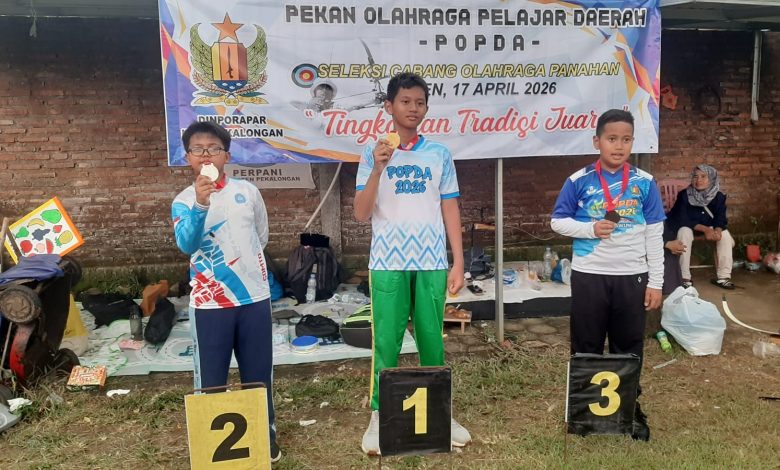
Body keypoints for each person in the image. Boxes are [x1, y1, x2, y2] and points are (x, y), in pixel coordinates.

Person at [353, 72, 471, 455]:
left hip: (432, 261)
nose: (413, 108)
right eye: (405, 101)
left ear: (426, 108)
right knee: (386, 341)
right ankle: (378, 413)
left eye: (419, 102)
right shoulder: (372, 153)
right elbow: (360, 213)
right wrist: (377, 169)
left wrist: (458, 260)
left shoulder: (439, 154)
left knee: (432, 339)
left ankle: (440, 411)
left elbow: (450, 206)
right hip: (388, 262)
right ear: (389, 106)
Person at [551, 109, 665, 441]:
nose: (619, 146)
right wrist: (589, 229)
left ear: (633, 142)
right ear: (596, 141)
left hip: (632, 276)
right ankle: (583, 412)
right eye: (612, 139)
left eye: (626, 139)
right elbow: (557, 221)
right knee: (586, 343)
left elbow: (655, 234)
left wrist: (656, 282)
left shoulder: (644, 183)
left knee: (628, 345)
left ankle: (630, 410)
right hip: (590, 275)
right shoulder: (578, 180)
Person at [171, 121, 281, 463]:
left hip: (253, 299)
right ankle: (213, 443)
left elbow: (261, 236)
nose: (206, 155)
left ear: (227, 156)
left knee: (258, 374)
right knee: (211, 379)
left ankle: (264, 433)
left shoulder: (247, 191)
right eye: (198, 149)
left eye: (214, 149)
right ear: (188, 158)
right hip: (210, 304)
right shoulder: (183, 201)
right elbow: (186, 244)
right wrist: (201, 205)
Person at [667, 164, 735, 289]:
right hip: (687, 227)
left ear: (712, 179)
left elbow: (720, 218)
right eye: (695, 176)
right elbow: (682, 219)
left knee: (725, 235)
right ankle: (684, 277)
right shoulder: (684, 195)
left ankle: (723, 277)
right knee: (684, 232)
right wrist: (706, 230)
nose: (698, 180)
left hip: (708, 228)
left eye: (703, 176)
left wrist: (717, 231)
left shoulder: (719, 197)